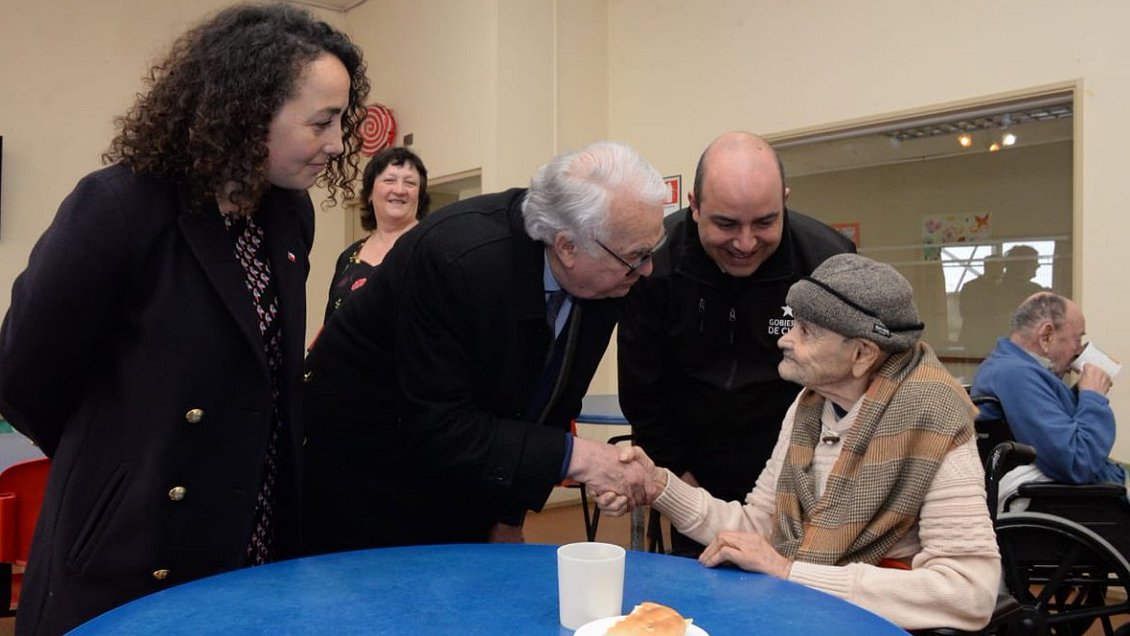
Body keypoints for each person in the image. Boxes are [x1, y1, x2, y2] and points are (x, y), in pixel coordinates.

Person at [0, 5, 369, 634]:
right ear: (249, 112)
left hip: (250, 529)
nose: (337, 143)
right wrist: (122, 462)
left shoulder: (289, 215)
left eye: (342, 121)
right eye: (322, 122)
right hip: (135, 542)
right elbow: (22, 374)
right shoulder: (118, 205)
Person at [302, 140, 666, 554]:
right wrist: (582, 459)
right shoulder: (456, 259)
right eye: (637, 256)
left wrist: (508, 516)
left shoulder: (608, 277)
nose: (648, 269)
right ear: (567, 245)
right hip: (366, 481)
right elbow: (439, 423)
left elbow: (553, 400)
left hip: (458, 478)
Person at [602, 254, 1000, 631]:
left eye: (806, 331)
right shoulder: (810, 406)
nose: (784, 339)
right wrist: (659, 485)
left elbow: (970, 592)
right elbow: (760, 529)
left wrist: (790, 574)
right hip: (804, 616)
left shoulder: (935, 419)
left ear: (862, 353)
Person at [617, 131, 854, 556]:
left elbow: (848, 385)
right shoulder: (656, 264)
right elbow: (642, 389)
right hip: (694, 471)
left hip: (796, 474)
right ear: (694, 205)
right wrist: (680, 482)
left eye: (765, 222)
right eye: (725, 224)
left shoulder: (827, 262)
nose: (745, 244)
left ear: (784, 199)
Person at [971, 292, 1127, 506]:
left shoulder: (1016, 369)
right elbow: (1076, 461)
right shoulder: (1016, 375)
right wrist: (1093, 398)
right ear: (1046, 336)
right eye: (1077, 339)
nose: (1078, 351)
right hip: (1073, 501)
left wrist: (1080, 394)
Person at [323, 147, 430, 321]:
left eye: (410, 183)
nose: (400, 190)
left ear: (420, 196)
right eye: (389, 180)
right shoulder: (349, 256)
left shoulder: (431, 247)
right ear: (370, 193)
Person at [957, 253, 1004, 355]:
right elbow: (965, 311)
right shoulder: (971, 287)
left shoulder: (1002, 288)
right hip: (975, 338)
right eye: (1000, 266)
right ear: (988, 267)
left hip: (995, 337)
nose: (1002, 270)